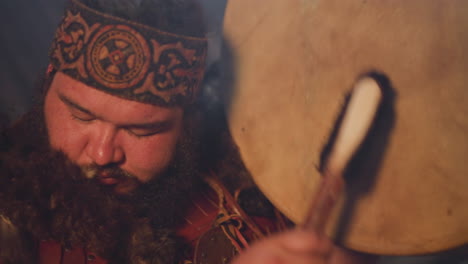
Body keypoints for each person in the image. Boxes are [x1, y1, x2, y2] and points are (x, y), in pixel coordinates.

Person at [0, 0, 377, 263]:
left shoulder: (269, 188)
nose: (103, 154)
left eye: (141, 131)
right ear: (48, 84)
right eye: (81, 117)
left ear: (188, 122)